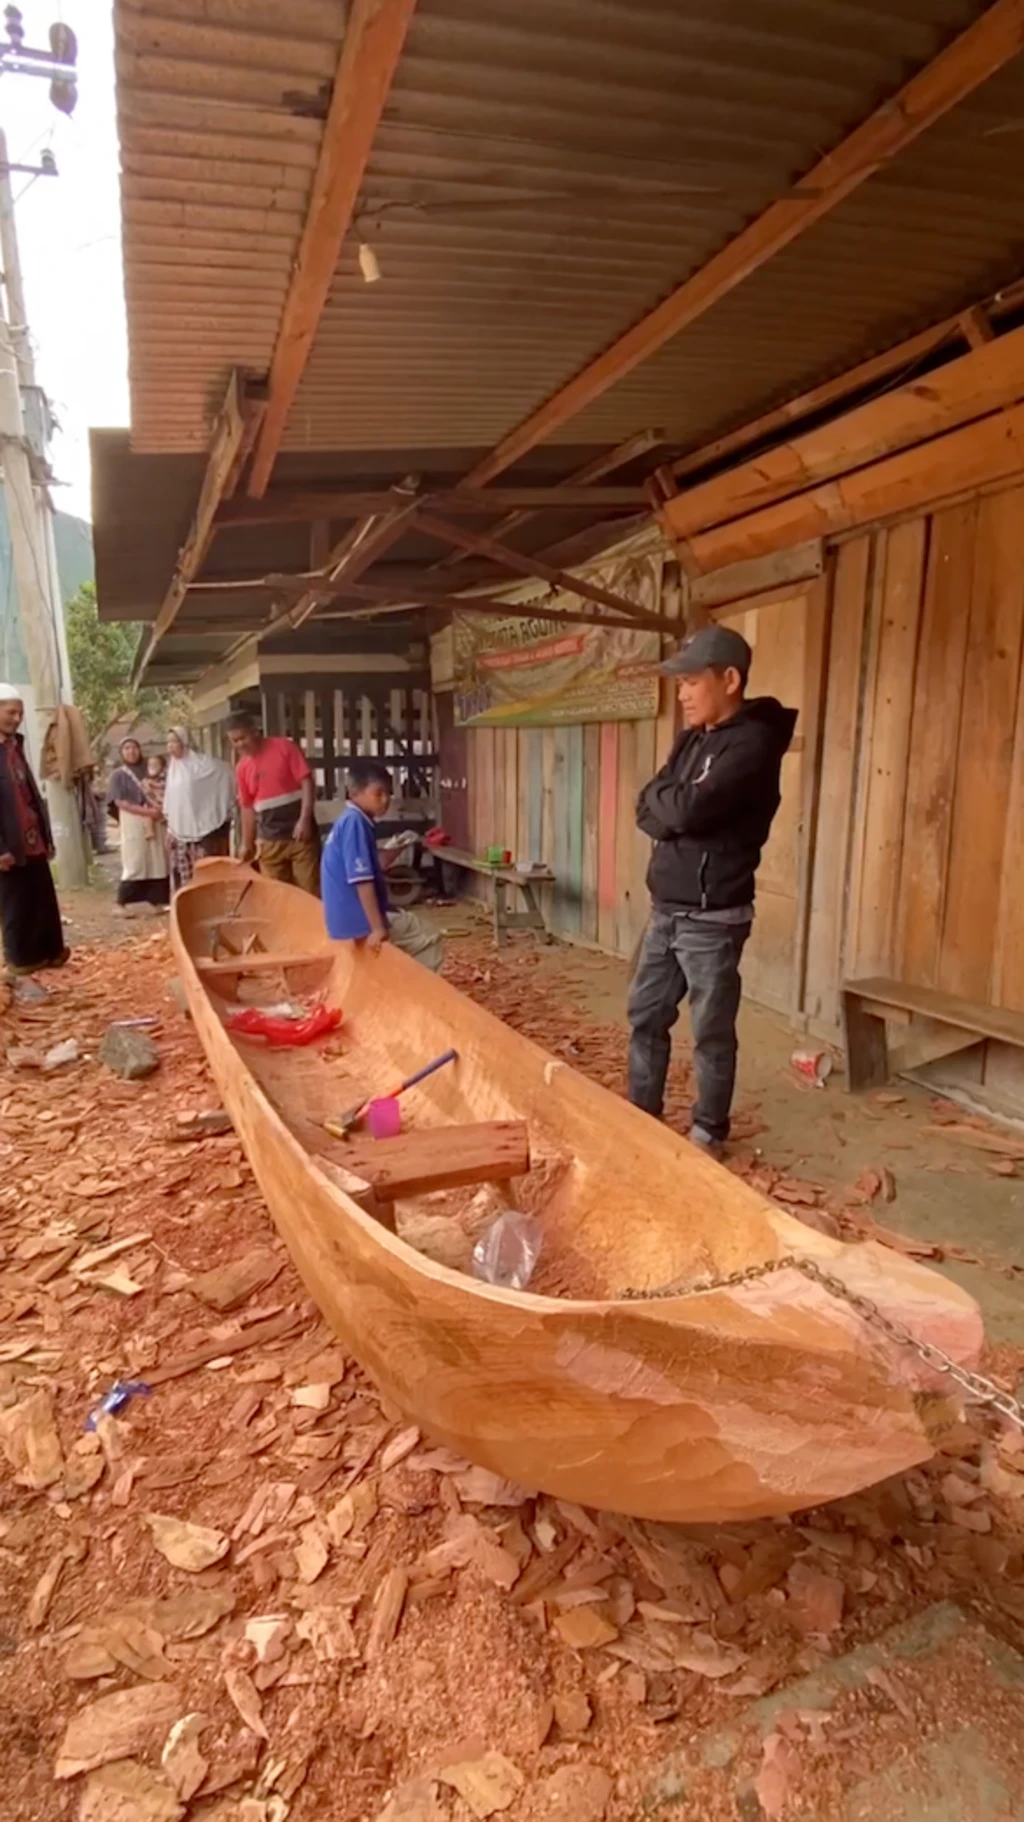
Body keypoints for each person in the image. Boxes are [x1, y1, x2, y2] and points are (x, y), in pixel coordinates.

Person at [627, 625, 797, 1158]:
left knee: (711, 1033)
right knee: (645, 1016)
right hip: (666, 910)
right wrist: (671, 803)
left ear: (729, 679)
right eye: (679, 684)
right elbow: (646, 808)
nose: (681, 694)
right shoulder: (690, 740)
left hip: (712, 918)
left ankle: (708, 1132)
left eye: (691, 682)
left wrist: (672, 805)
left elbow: (683, 810)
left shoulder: (753, 744)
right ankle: (639, 1117)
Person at [321, 760, 443, 971]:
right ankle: (422, 998)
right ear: (354, 792)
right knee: (428, 937)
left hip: (344, 919)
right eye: (378, 793)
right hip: (358, 919)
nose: (385, 800)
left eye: (388, 793)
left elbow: (377, 862)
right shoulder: (355, 823)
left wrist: (400, 845)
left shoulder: (350, 820)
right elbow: (362, 880)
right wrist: (377, 927)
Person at [0, 683, 69, 973]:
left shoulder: (15, 746)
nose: (17, 718)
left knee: (41, 895)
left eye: (20, 713)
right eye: (11, 712)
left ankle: (48, 952)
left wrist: (46, 834)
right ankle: (21, 959)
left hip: (30, 836)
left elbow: (29, 794)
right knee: (16, 902)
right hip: (7, 841)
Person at [227, 711, 320, 895]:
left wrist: (305, 819)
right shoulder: (241, 767)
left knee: (309, 891)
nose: (240, 744)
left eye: (242, 738)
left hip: (299, 835)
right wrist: (247, 843)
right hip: (268, 840)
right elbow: (247, 807)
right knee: (276, 895)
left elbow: (307, 782)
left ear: (255, 731)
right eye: (235, 741)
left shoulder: (284, 747)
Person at [164, 727, 236, 894]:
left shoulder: (202, 764)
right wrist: (170, 828)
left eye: (174, 742)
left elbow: (224, 772)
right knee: (185, 874)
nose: (171, 747)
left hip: (205, 830)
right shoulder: (173, 769)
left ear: (184, 742)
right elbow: (173, 801)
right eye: (168, 743)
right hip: (180, 831)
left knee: (207, 872)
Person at [108, 736, 170, 910]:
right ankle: (123, 902)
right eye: (127, 748)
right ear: (121, 752)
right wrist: (146, 812)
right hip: (132, 818)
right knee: (136, 860)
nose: (131, 751)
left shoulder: (149, 769)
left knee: (157, 859)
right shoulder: (118, 775)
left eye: (134, 747)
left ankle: (158, 901)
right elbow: (119, 801)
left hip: (155, 818)